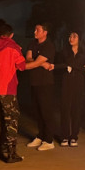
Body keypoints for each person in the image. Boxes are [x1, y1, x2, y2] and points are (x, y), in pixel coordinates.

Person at [0, 22, 41, 162]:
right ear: (11, 35)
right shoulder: (13, 47)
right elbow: (21, 66)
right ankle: (11, 153)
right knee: (11, 121)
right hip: (7, 90)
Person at [25, 22, 57, 151]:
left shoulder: (49, 46)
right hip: (34, 82)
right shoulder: (32, 43)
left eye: (37, 30)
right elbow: (28, 58)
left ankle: (49, 140)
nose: (35, 32)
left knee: (46, 111)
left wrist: (32, 64)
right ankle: (41, 136)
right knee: (37, 111)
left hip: (45, 83)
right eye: (35, 30)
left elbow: (30, 64)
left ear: (45, 32)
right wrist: (42, 64)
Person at [58, 30, 85, 146]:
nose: (71, 39)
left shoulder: (83, 53)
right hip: (66, 82)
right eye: (70, 36)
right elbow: (68, 63)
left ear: (79, 39)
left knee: (76, 110)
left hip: (78, 83)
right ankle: (64, 136)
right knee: (65, 109)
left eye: (74, 36)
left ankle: (74, 137)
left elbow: (81, 63)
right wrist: (84, 69)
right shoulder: (64, 52)